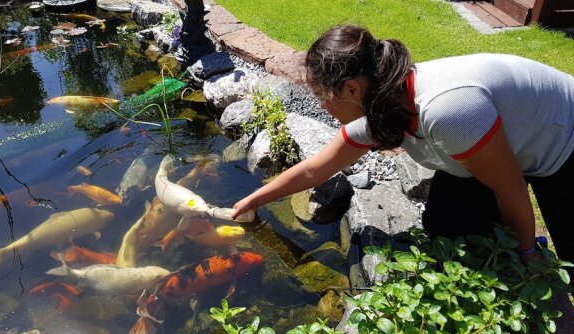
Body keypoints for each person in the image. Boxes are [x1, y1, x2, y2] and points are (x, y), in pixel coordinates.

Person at [231, 24, 574, 264]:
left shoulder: (446, 111)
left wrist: (526, 256)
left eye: (323, 96)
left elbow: (510, 186)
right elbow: (315, 170)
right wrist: (252, 200)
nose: (321, 106)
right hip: (506, 142)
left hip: (562, 140)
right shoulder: (383, 102)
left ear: (351, 89)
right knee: (446, 225)